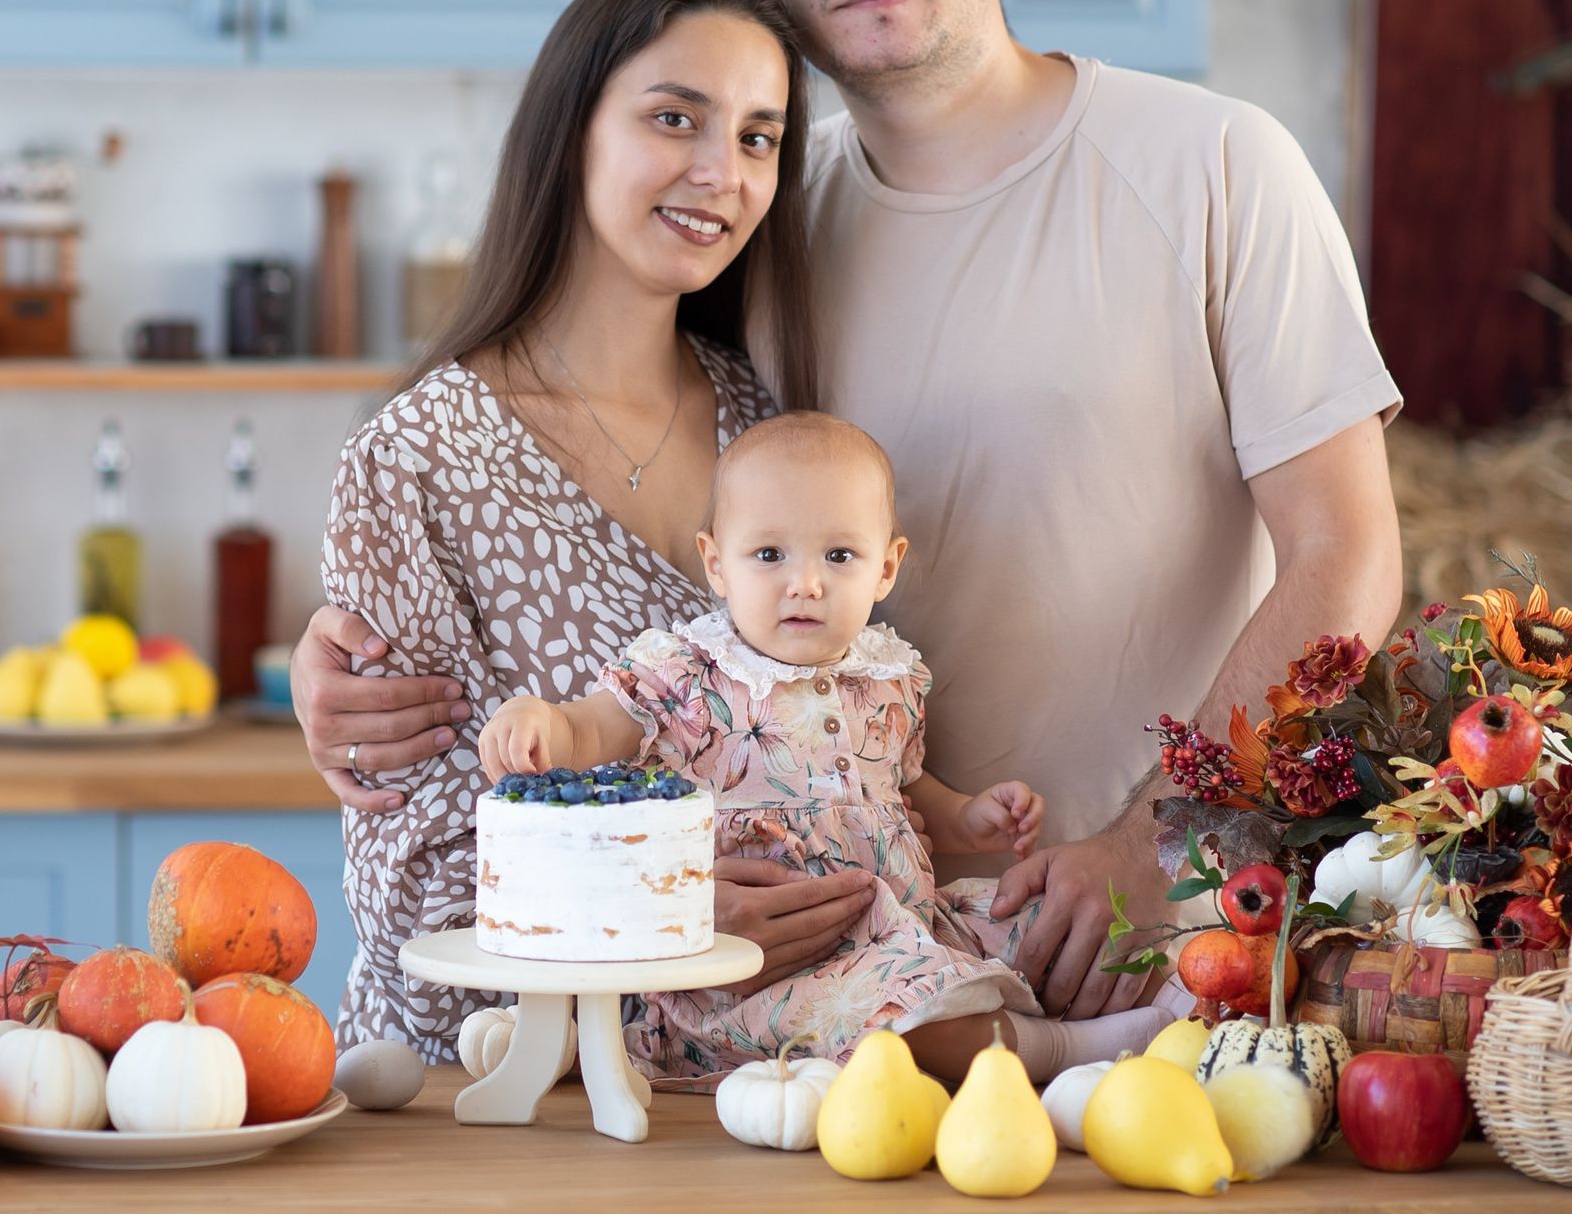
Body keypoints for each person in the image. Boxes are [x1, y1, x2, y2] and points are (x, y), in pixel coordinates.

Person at [298, 0, 1405, 1021]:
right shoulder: (760, 224)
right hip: (852, 983)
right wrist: (349, 663)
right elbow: (659, 575)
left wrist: (1164, 840)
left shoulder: (1217, 165)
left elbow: (1345, 558)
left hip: (1165, 944)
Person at [320, 0, 868, 1056]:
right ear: (572, 127)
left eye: (758, 136)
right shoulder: (418, 458)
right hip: (486, 1113)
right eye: (677, 118)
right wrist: (658, 914)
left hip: (754, 1088)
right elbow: (411, 879)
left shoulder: (760, 420)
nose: (723, 171)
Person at [480, 411, 1191, 1087]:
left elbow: (903, 790)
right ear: (716, 563)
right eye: (768, 554)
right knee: (902, 1022)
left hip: (902, 920)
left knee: (1041, 930)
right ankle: (1067, 1052)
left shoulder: (889, 676)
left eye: (839, 554)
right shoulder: (686, 672)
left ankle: (1188, 999)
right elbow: (593, 726)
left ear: (885, 568)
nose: (806, 581)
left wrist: (969, 814)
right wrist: (539, 719)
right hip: (772, 963)